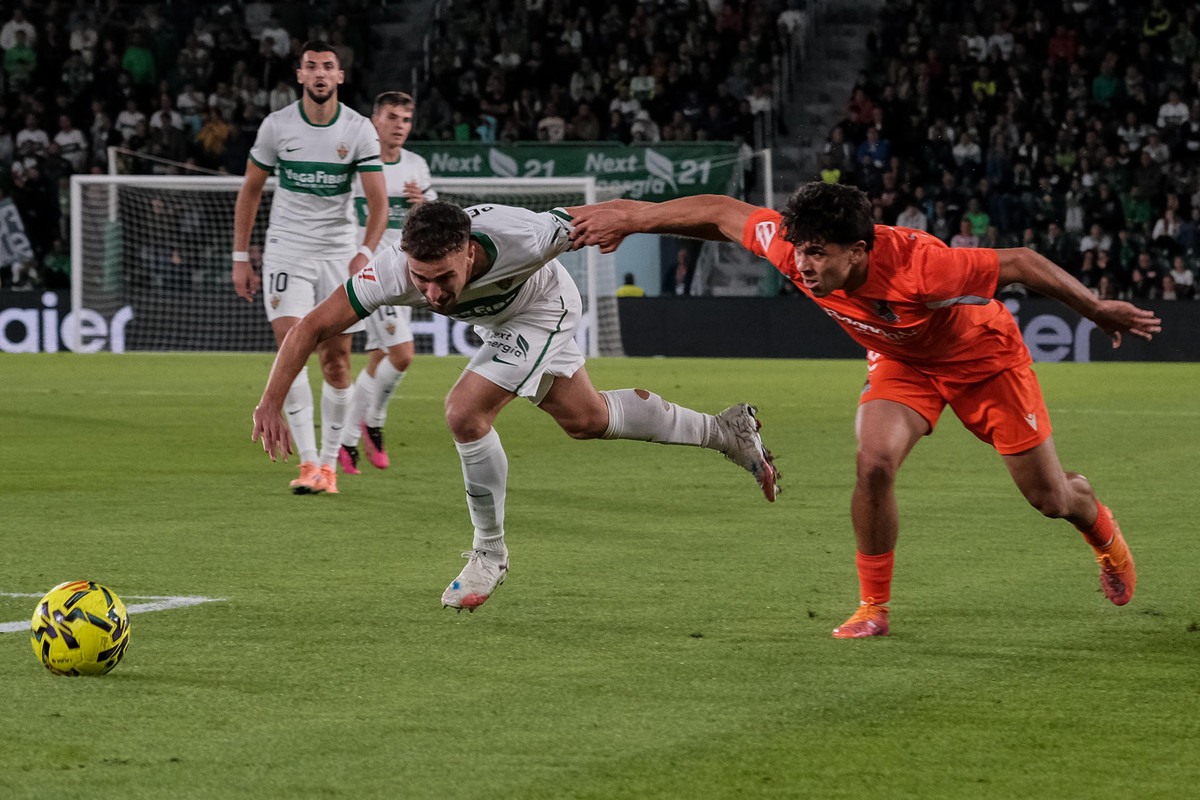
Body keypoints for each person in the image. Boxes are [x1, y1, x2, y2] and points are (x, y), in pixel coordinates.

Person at [569, 181, 1162, 638]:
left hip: (984, 361)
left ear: (859, 251)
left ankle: (1103, 531)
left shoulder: (922, 268)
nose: (804, 266)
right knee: (873, 463)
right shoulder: (797, 252)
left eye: (819, 256)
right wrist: (636, 217)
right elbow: (725, 214)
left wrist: (1096, 309)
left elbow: (1024, 263)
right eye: (801, 251)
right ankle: (873, 607)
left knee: (1051, 499)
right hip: (904, 362)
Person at [252, 201, 780, 611]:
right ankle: (724, 430)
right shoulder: (390, 271)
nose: (432, 295)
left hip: (544, 306)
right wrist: (272, 401)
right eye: (421, 280)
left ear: (467, 252)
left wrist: (692, 223)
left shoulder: (526, 235)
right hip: (499, 323)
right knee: (588, 420)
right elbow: (313, 326)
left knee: (464, 411)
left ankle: (490, 553)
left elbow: (620, 213)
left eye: (443, 278)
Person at [233, 41, 388, 495]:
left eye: (328, 67)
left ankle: (328, 466)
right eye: (311, 67)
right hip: (287, 249)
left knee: (337, 362)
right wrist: (241, 257)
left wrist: (364, 251)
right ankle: (306, 465)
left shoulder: (359, 129)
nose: (320, 74)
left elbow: (378, 204)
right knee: (291, 345)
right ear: (299, 76)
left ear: (340, 77)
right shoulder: (276, 126)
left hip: (338, 253)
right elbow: (251, 191)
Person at [338, 92, 436, 475]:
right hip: (371, 271)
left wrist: (422, 205)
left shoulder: (416, 166)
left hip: (406, 270)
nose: (399, 125)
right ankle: (372, 422)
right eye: (392, 117)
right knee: (403, 353)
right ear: (374, 119)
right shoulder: (360, 163)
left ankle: (347, 443)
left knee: (380, 358)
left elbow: (432, 219)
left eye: (406, 119)